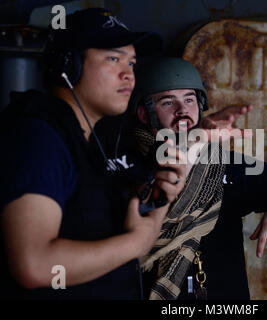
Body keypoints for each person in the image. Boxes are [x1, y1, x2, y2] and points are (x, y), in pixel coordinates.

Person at [0, 8, 186, 300]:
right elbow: (34, 265)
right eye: (113, 59)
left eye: (132, 62)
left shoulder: (92, 141)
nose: (129, 74)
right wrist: (137, 241)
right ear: (69, 66)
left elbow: (115, 257)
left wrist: (163, 196)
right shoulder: (38, 138)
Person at [129, 57, 267, 300]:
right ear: (145, 114)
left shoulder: (223, 162)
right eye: (168, 102)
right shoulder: (128, 168)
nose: (183, 110)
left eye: (189, 100)